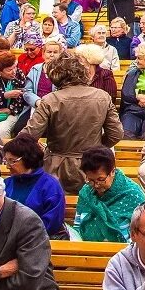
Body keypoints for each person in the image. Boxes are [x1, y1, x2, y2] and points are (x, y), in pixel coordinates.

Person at [20, 51, 123, 194]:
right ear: (83, 72)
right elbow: (116, 134)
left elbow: (28, 136)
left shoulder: (50, 100)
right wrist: (96, 147)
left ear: (55, 74)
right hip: (92, 167)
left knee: (55, 209)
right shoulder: (102, 97)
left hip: (55, 168)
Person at [1, 134, 67, 239]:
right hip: (7, 241)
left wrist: (21, 237)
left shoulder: (50, 186)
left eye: (12, 161)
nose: (8, 166)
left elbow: (51, 223)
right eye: (6, 161)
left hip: (39, 242)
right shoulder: (6, 184)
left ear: (28, 159)